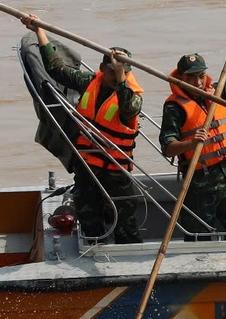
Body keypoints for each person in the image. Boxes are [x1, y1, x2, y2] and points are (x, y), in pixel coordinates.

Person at [22, 16, 145, 243]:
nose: (119, 76)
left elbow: (128, 108)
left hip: (116, 172)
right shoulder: (90, 81)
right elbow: (57, 69)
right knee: (89, 218)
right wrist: (39, 31)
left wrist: (120, 75)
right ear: (101, 69)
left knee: (125, 223)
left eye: (124, 72)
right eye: (113, 72)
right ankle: (93, 249)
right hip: (87, 166)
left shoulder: (132, 96)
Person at [159, 10, 226, 234]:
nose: (198, 82)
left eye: (201, 76)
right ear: (181, 78)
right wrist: (191, 143)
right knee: (198, 234)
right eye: (191, 78)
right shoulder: (174, 107)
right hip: (199, 181)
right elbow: (167, 148)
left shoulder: (216, 92)